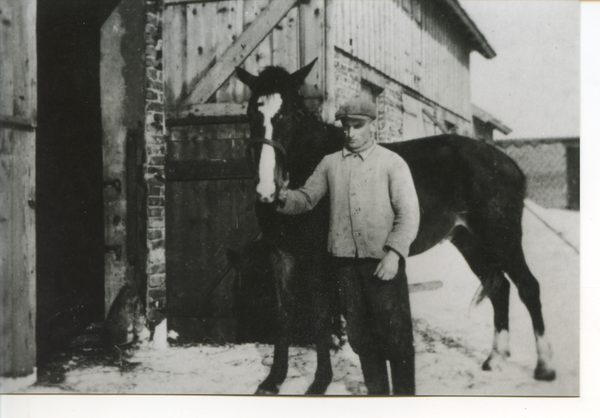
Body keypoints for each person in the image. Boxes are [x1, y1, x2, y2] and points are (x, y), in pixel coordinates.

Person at [276, 97, 420, 395]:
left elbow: (409, 214)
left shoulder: (391, 163)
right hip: (345, 267)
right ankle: (379, 400)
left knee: (397, 339)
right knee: (362, 339)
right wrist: (280, 196)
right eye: (346, 126)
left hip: (383, 266)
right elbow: (305, 199)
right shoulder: (330, 163)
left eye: (358, 126)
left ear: (372, 125)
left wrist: (394, 255)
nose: (351, 132)